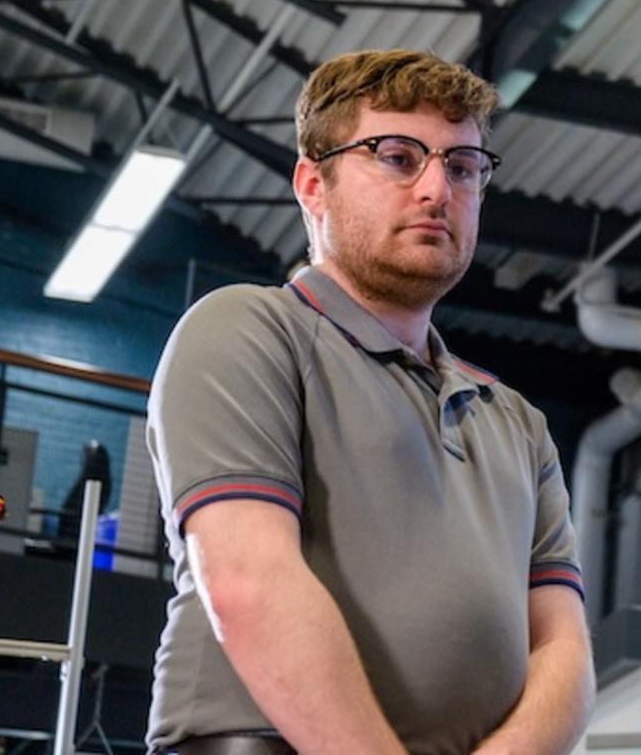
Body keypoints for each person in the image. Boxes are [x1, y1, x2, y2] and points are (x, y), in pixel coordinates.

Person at [146, 50, 593, 755]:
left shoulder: (517, 423)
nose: (436, 189)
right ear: (312, 185)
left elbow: (564, 650)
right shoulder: (249, 331)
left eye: (463, 167)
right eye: (397, 158)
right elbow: (248, 583)